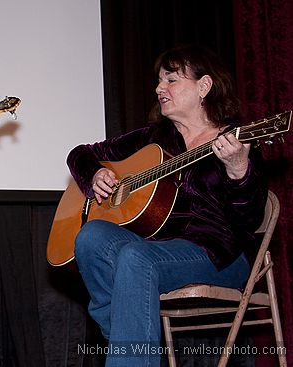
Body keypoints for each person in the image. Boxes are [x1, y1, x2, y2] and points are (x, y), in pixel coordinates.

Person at [68, 45, 267, 366]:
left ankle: (127, 353)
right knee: (91, 237)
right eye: (159, 81)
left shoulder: (236, 141)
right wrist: (95, 173)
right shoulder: (155, 139)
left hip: (220, 255)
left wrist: (238, 171)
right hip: (156, 250)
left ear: (204, 86)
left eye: (172, 80)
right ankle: (123, 338)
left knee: (135, 257)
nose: (160, 88)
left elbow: (248, 219)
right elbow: (80, 153)